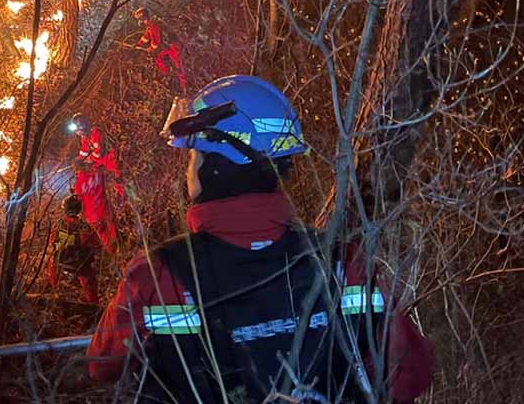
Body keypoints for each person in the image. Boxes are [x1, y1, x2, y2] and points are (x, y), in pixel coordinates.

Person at [86, 75, 434, 403]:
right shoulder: (342, 260)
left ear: (219, 165)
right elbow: (411, 370)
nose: (189, 168)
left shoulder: (157, 274)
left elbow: (102, 366)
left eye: (195, 155)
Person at [70, 113, 122, 250]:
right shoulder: (84, 137)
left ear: (83, 127)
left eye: (78, 130)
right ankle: (116, 246)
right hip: (102, 166)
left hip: (111, 163)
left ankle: (124, 202)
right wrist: (78, 159)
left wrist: (86, 161)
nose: (78, 133)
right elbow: (84, 151)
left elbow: (98, 153)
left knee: (120, 184)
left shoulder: (95, 133)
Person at [48, 196, 100, 304]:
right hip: (79, 264)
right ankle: (92, 302)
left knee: (51, 264)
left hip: (61, 262)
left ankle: (54, 292)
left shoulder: (59, 225)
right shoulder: (83, 226)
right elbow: (94, 243)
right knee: (90, 278)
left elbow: (52, 243)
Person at [134, 7, 188, 90]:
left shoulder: (154, 25)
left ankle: (184, 86)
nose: (140, 22)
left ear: (143, 17)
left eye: (139, 19)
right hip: (167, 46)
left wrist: (151, 48)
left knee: (178, 65)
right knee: (158, 58)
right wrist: (138, 44)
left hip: (173, 46)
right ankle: (166, 75)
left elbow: (156, 42)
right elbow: (146, 36)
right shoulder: (150, 25)